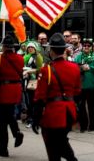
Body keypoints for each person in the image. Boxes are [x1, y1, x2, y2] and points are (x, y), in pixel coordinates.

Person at [32, 33, 81, 161]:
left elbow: (40, 97)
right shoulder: (75, 68)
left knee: (53, 146)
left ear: (51, 50)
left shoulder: (46, 70)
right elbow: (77, 92)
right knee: (61, 141)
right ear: (64, 49)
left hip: (54, 114)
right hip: (70, 112)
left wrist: (35, 118)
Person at [0, 35, 24, 157]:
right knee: (9, 114)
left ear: (3, 46)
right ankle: (16, 132)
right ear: (13, 47)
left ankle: (3, 149)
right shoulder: (20, 58)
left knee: (2, 121)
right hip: (16, 90)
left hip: (4, 90)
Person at [73, 39, 94, 132]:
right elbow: (74, 67)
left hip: (92, 85)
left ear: (91, 47)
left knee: (92, 107)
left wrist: (89, 67)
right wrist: (81, 68)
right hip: (81, 85)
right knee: (81, 107)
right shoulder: (78, 56)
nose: (86, 47)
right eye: (85, 46)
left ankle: (92, 127)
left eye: (88, 46)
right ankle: (83, 126)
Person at [23, 42, 43, 128]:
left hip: (35, 81)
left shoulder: (38, 57)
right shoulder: (25, 56)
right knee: (28, 102)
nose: (30, 48)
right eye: (29, 47)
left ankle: (33, 120)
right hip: (27, 81)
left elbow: (41, 69)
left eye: (32, 47)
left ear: (35, 49)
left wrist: (30, 71)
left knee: (33, 102)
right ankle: (29, 118)